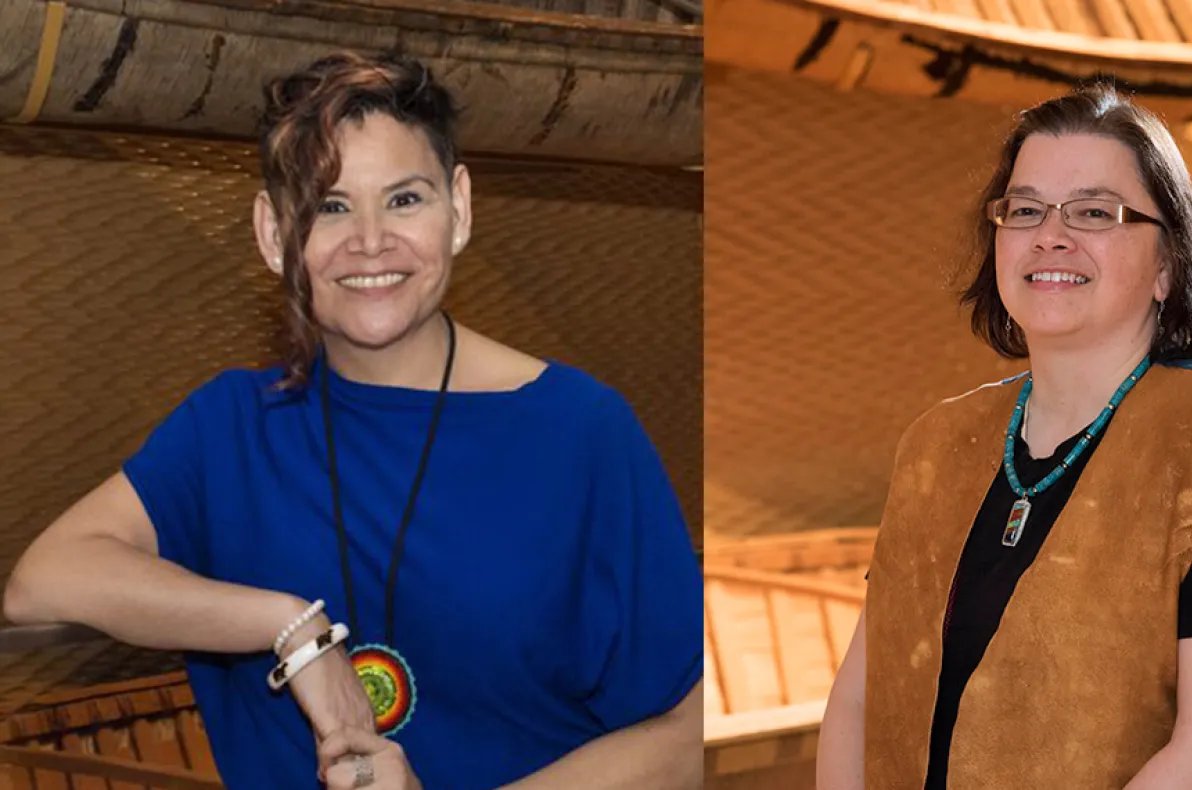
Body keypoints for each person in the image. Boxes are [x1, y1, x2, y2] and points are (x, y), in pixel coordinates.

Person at [3, 51, 702, 790]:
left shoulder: (579, 430)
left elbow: (689, 735)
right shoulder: (232, 425)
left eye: (405, 200)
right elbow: (42, 582)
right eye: (330, 206)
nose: (370, 241)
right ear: (276, 235)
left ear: (458, 209)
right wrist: (292, 630)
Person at [815, 84, 1192, 790]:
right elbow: (856, 705)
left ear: (1167, 267)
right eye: (1024, 210)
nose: (1049, 235)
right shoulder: (939, 443)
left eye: (1094, 212)